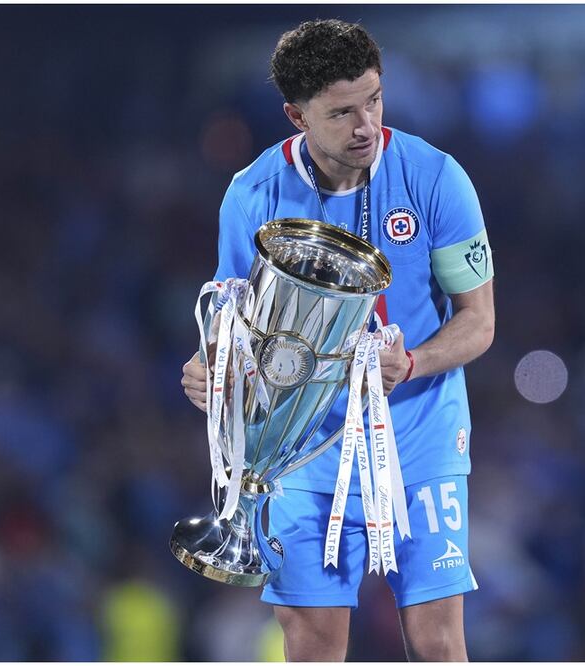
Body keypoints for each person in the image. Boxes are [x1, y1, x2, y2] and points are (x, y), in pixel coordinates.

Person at [180, 18, 495, 662]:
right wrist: (210, 366)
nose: (366, 125)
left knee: (437, 641)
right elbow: (233, 321)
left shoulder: (436, 178)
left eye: (374, 100)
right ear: (296, 116)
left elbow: (479, 321)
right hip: (299, 447)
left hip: (421, 433)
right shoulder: (252, 195)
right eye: (342, 112)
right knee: (313, 641)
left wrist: (413, 362)